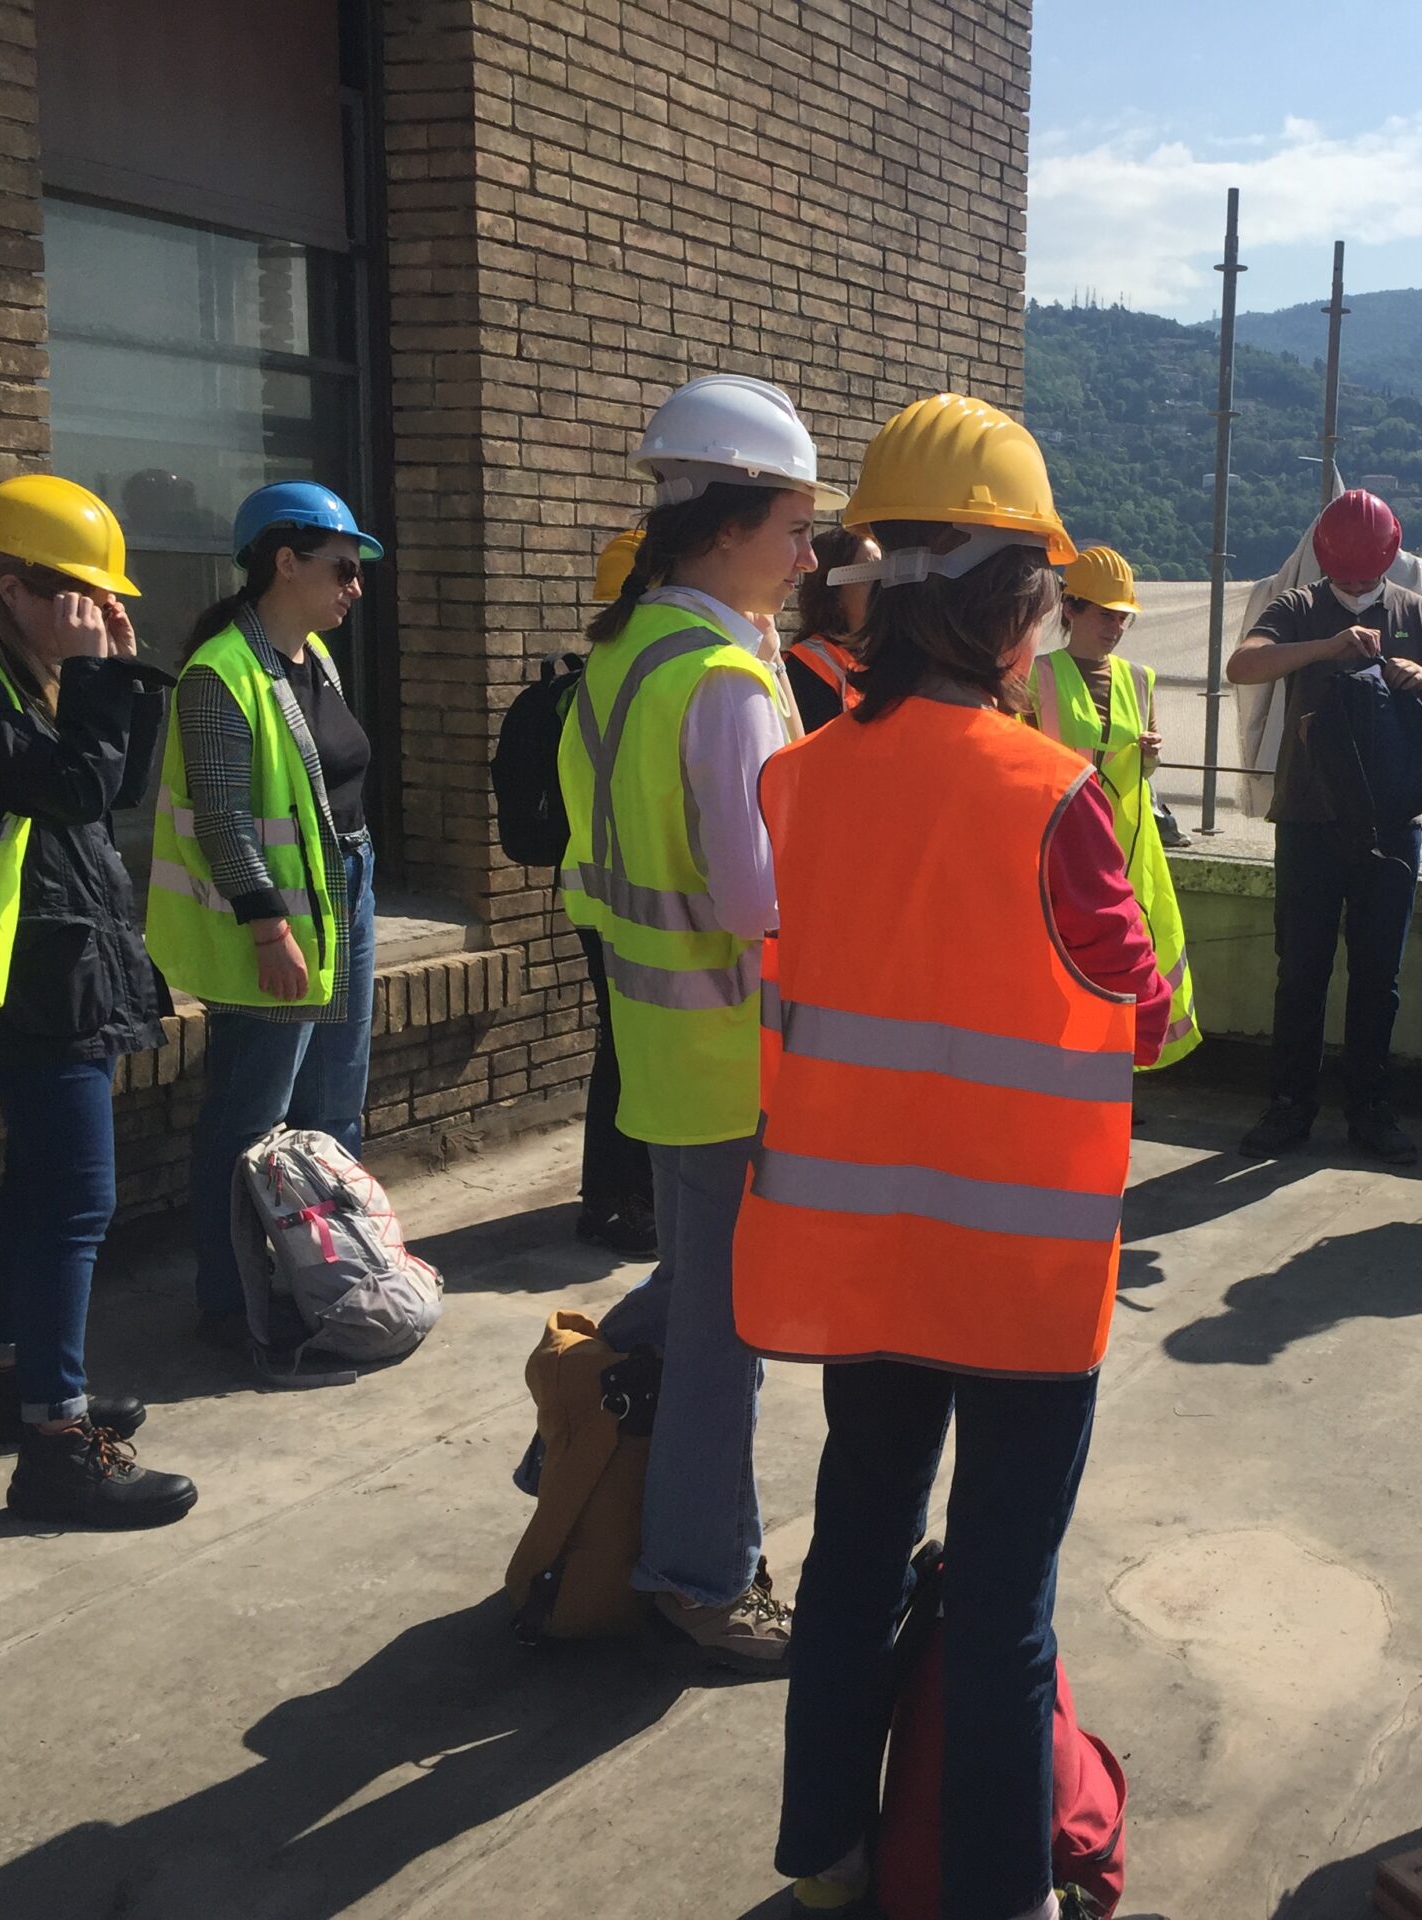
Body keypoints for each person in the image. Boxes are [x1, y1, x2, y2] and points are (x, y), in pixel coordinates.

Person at [731, 392, 1169, 1920]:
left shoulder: (799, 783)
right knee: (1000, 1600)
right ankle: (996, 1897)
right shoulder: (1053, 797)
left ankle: (825, 1860)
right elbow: (1146, 1009)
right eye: (1042, 592)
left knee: (854, 1555)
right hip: (1024, 1280)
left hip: (860, 1264)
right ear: (1003, 600)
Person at [558, 372, 839, 1667]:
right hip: (737, 1053)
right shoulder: (720, 676)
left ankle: (572, 1402)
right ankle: (699, 1577)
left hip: (662, 1049)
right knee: (731, 1335)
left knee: (697, 1285)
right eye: (794, 525)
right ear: (727, 522)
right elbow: (752, 896)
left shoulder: (625, 654)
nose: (810, 551)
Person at [0, 475, 197, 1526]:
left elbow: (110, 790)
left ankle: (8, 1383)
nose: (98, 612)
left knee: (38, 1187)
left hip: (61, 967)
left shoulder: (23, 678)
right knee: (78, 1202)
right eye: (78, 594)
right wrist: (89, 676)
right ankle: (58, 1438)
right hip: (29, 982)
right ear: (15, 588)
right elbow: (69, 790)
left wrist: (111, 673)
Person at [154, 481, 384, 1356]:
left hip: (345, 895)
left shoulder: (311, 660)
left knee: (333, 1108)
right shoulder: (222, 671)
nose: (353, 587)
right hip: (280, 923)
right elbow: (220, 818)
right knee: (250, 1119)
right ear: (284, 564)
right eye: (341, 568)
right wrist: (268, 928)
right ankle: (229, 1301)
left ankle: (332, 1276)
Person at [1228, 489, 1422, 1163]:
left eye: (1370, 576)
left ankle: (1370, 1108)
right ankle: (1289, 1105)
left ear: (1390, 562)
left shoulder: (1420, 614)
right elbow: (1242, 666)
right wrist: (1324, 647)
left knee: (1377, 977)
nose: (1360, 586)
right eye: (1348, 575)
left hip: (1393, 824)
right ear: (1325, 561)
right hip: (1309, 820)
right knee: (1301, 969)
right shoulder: (1299, 607)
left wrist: (1421, 676)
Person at [1023, 543, 1200, 1068]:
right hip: (1061, 853)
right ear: (1070, 609)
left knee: (1130, 971)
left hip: (1129, 854)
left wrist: (1149, 759)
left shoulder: (1140, 680)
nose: (1117, 627)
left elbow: (1138, 777)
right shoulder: (1035, 676)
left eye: (1123, 617)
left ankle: (1123, 1072)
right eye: (1106, 615)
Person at [564, 527, 658, 1256]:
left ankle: (607, 1197)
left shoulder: (599, 666)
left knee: (617, 1047)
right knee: (634, 1052)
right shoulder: (648, 670)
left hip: (596, 892)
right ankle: (628, 1199)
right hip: (634, 892)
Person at [785, 526, 881, 731]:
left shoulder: (889, 656)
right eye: (869, 577)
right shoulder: (803, 668)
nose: (882, 588)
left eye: (885, 575)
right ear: (833, 593)